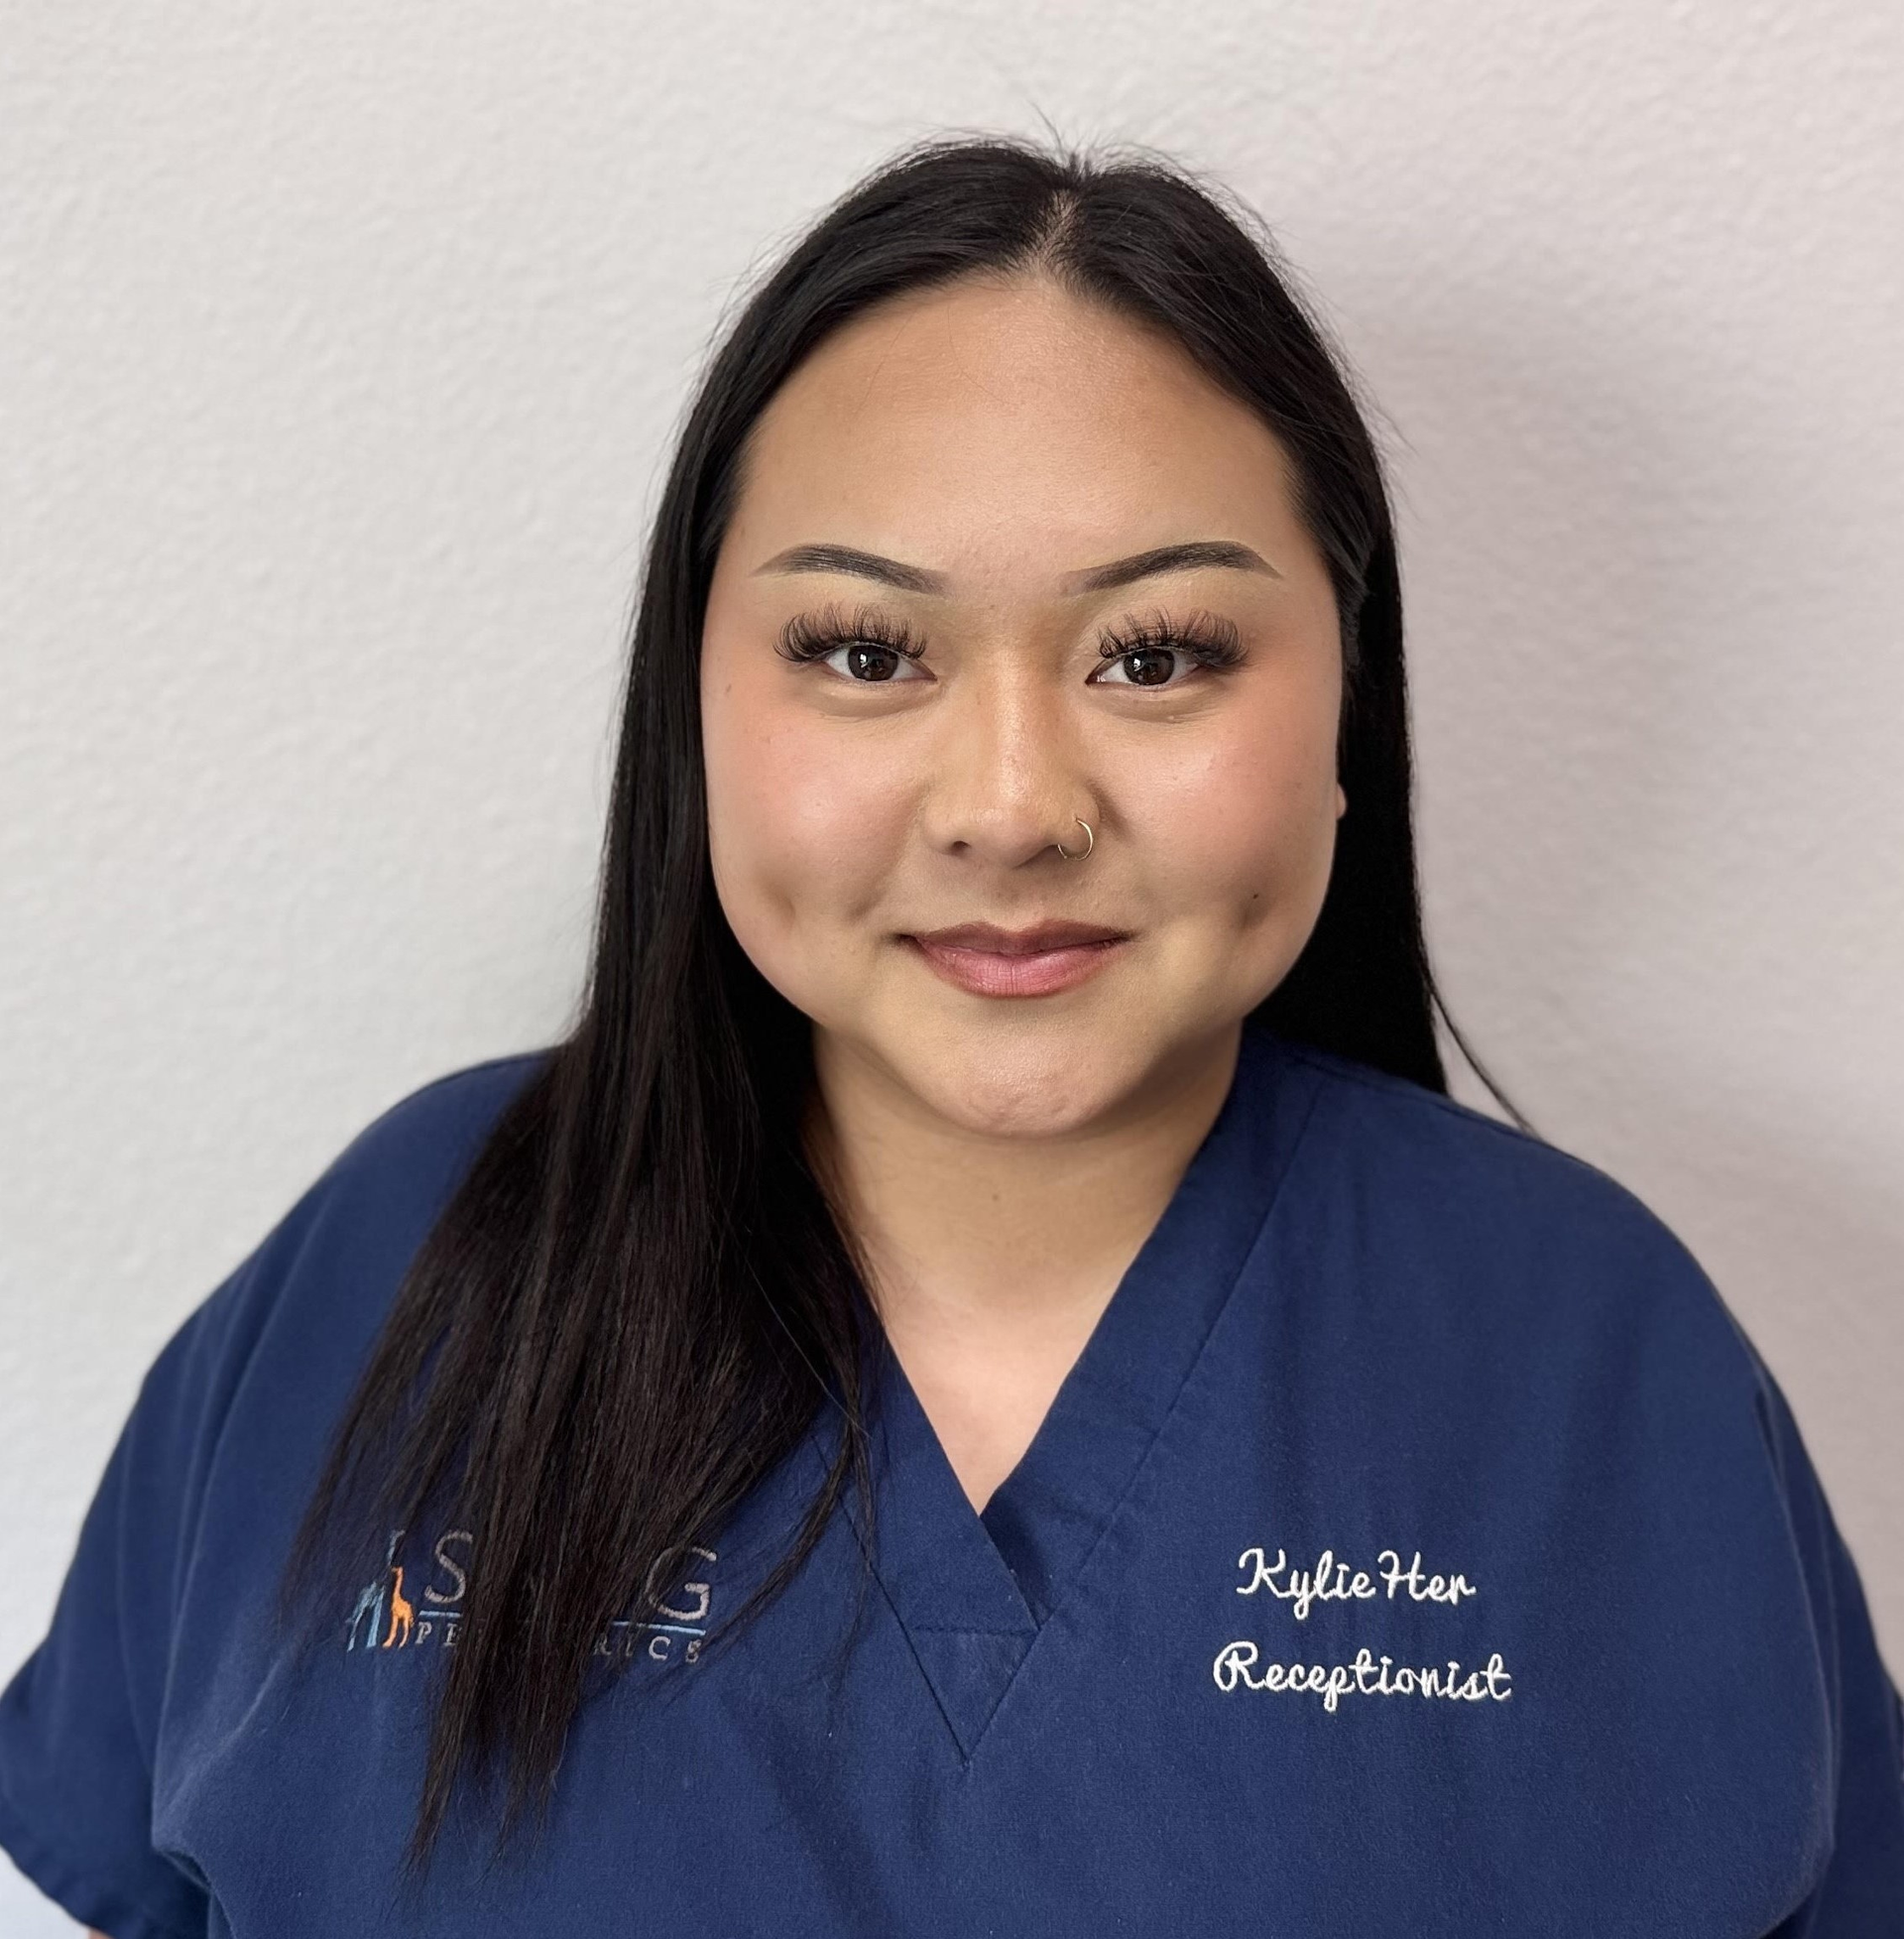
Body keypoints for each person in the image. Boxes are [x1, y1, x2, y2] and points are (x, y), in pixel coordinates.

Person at [2, 134, 1899, 1939]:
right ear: (695, 703)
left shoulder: (1599, 1358)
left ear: (1345, 706)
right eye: (866, 650)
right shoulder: (385, 1273)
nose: (1010, 807)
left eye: (1156, 655)